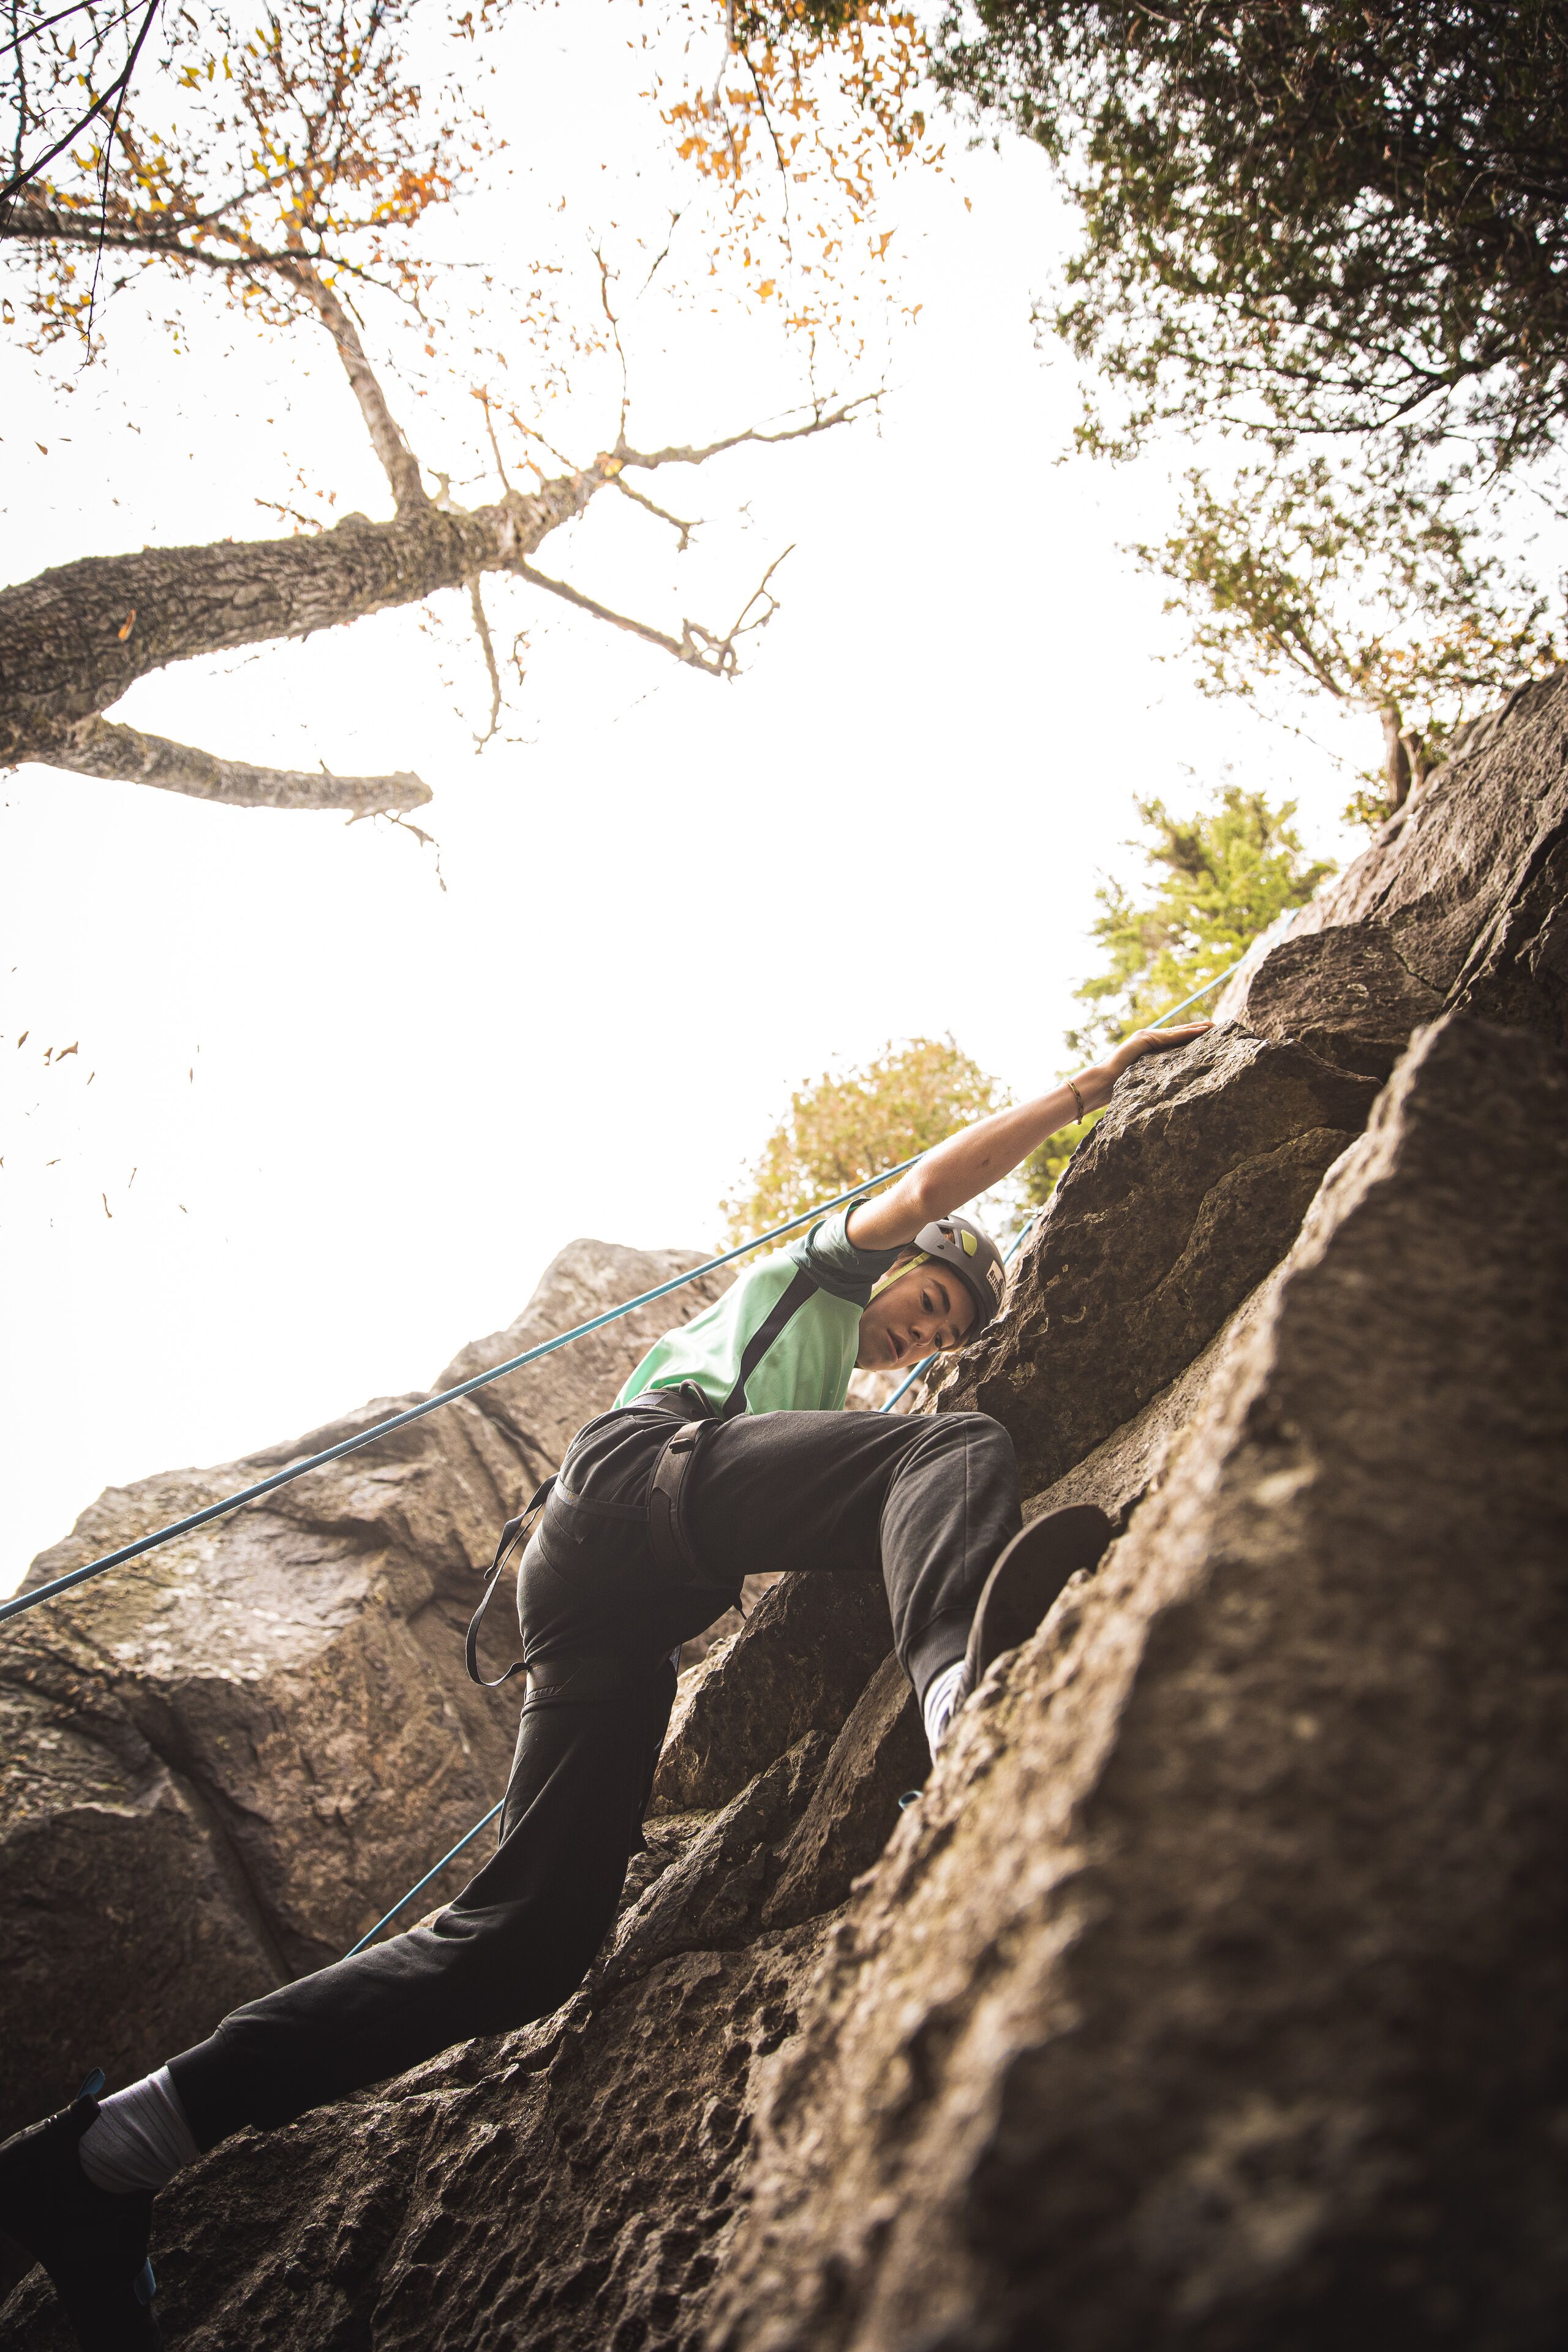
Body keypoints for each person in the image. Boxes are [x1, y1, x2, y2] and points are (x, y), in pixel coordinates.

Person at [0, 1021, 1208, 2349]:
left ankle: (110, 2155)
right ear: (900, 1263)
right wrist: (1089, 1088)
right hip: (638, 1480)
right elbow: (928, 1187)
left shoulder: (830, 1391)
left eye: (953, 1325)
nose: (931, 1323)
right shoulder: (817, 1269)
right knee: (951, 1451)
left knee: (529, 1938)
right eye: (935, 1297)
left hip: (608, 1609)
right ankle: (968, 1710)